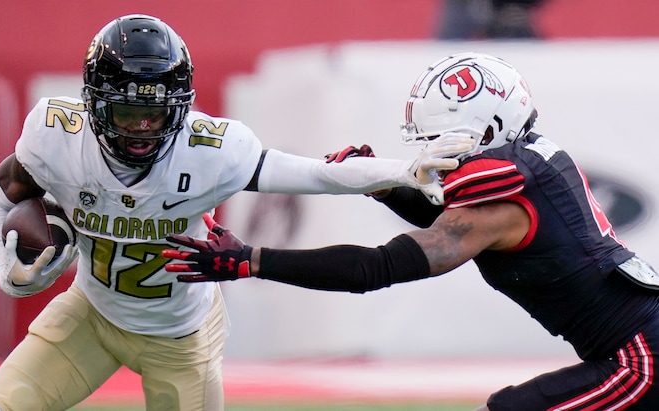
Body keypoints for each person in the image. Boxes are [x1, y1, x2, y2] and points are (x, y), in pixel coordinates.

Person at [0, 14, 466, 411]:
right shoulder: (55, 134)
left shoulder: (211, 150)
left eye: (158, 113)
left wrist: (401, 171)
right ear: (97, 105)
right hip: (91, 314)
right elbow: (1, 193)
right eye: (128, 113)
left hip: (180, 338)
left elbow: (315, 174)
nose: (143, 129)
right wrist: (6, 268)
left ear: (182, 107)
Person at [162, 52, 659, 410]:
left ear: (487, 128)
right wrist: (380, 184)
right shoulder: (531, 164)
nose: (437, 151)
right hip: (634, 348)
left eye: (445, 138)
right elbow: (442, 219)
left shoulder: (503, 197)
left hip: (640, 361)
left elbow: (378, 268)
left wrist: (253, 260)